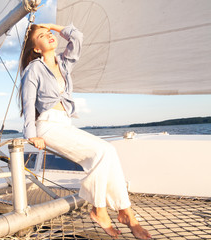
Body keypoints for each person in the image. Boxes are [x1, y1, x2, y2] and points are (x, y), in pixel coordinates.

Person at [19, 23, 152, 239]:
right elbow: (28, 102)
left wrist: (51, 25)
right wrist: (31, 134)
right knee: (101, 153)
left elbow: (77, 37)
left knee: (108, 151)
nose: (50, 36)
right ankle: (100, 210)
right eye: (42, 36)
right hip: (47, 125)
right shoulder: (34, 69)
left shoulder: (63, 63)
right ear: (36, 48)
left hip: (64, 123)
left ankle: (125, 212)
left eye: (50, 34)